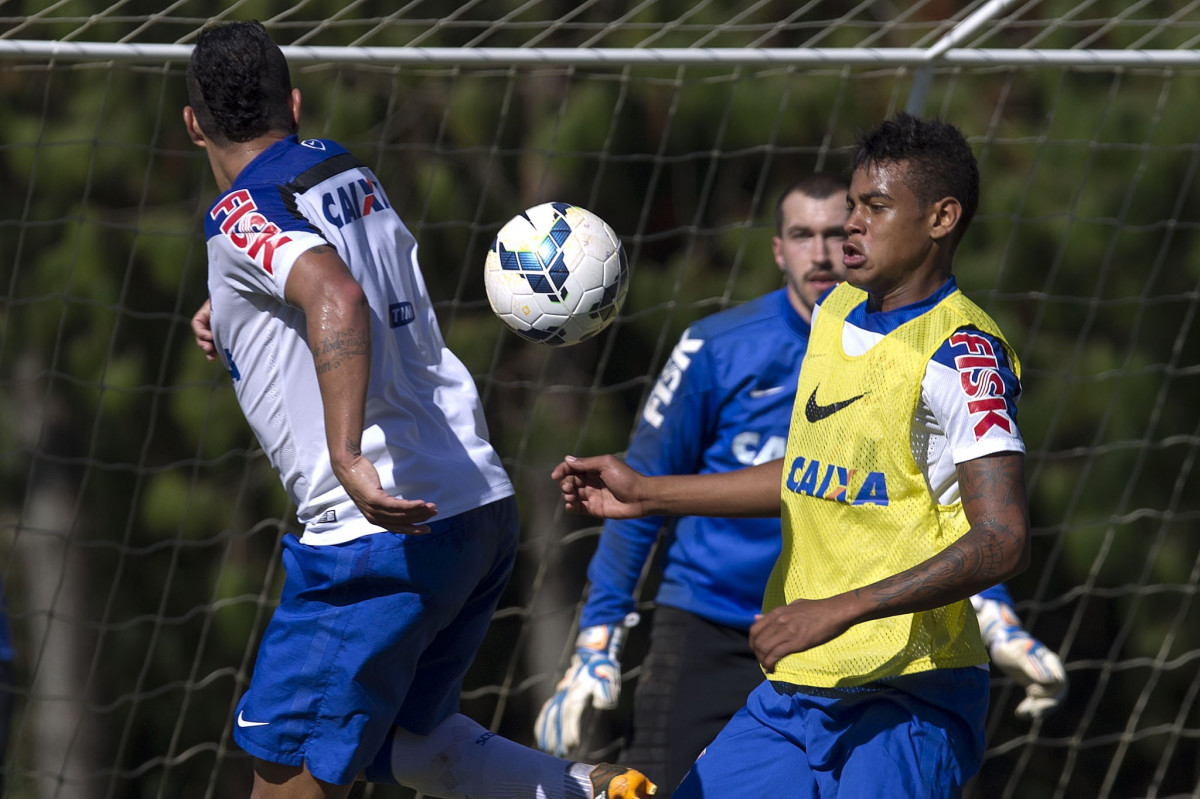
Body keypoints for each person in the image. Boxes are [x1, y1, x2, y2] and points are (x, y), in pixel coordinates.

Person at [184, 21, 655, 799]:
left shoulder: (239, 212)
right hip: (474, 503)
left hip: (372, 529)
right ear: (294, 104)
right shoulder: (345, 169)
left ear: (193, 123)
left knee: (287, 778)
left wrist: (346, 455)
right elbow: (330, 266)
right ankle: (592, 790)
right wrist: (233, 307)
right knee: (410, 742)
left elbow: (335, 294)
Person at [550, 113, 1041, 797]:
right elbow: (810, 474)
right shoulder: (838, 310)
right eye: (852, 206)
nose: (852, 225)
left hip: (906, 696)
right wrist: (649, 492)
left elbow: (1004, 537)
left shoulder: (964, 353)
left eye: (875, 207)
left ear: (941, 218)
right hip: (799, 687)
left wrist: (836, 608)